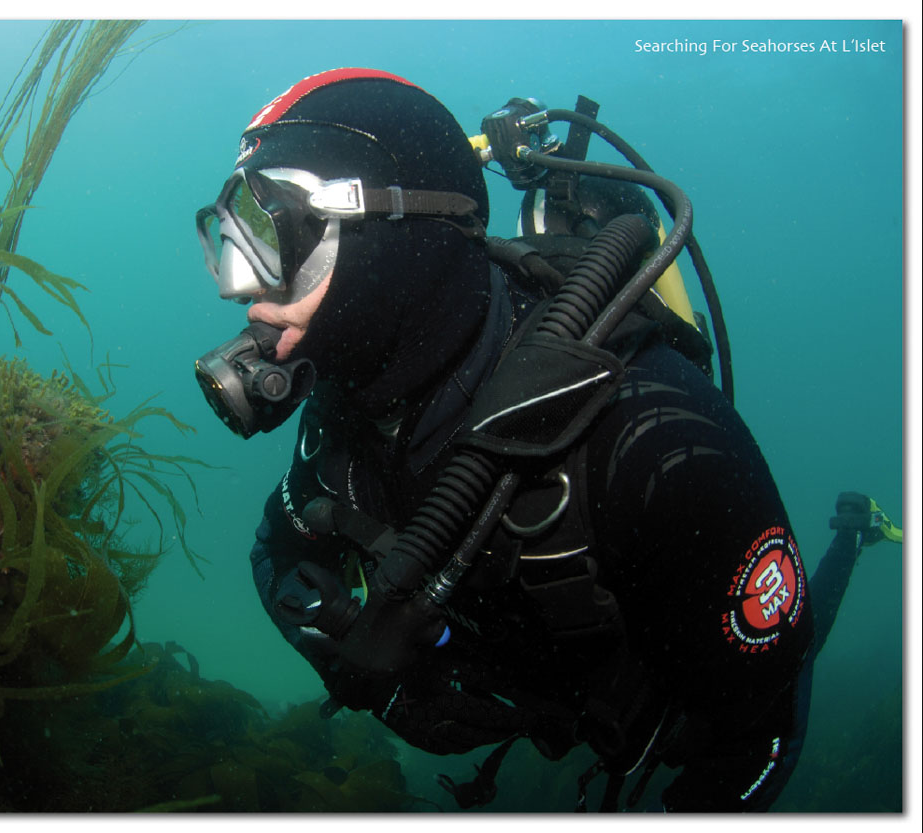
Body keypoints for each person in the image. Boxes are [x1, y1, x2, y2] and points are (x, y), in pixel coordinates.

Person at [192, 67, 901, 812]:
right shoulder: (346, 405)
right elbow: (278, 552)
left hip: (664, 688)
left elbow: (760, 729)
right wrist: (375, 680)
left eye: (273, 230)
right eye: (231, 235)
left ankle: (851, 534)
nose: (235, 285)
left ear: (397, 235)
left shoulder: (658, 442)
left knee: (789, 648)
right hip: (532, 682)